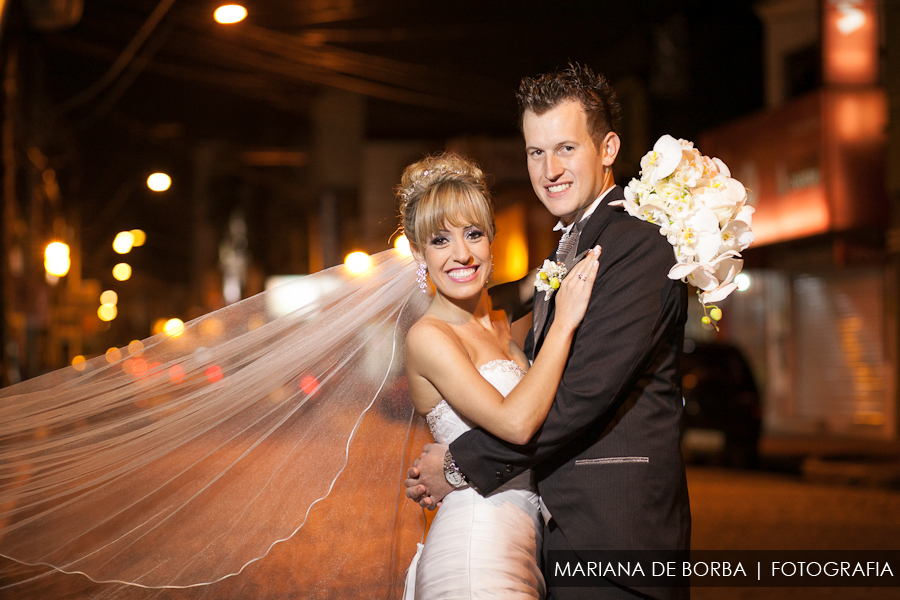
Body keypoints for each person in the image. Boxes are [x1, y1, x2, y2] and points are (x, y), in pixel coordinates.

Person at [405, 64, 691, 600]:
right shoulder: (566, 254)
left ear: (607, 149)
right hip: (543, 540)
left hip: (616, 539)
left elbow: (581, 396)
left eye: (565, 148)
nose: (549, 169)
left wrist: (458, 464)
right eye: (536, 152)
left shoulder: (636, 245)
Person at [398, 152, 601, 599]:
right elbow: (515, 423)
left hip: (525, 544)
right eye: (440, 241)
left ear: (492, 240)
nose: (462, 254)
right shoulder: (429, 337)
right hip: (476, 548)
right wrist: (563, 324)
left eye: (473, 234)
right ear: (418, 253)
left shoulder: (499, 320)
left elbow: (555, 272)